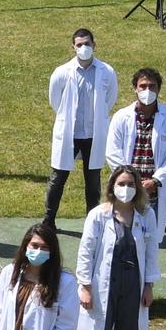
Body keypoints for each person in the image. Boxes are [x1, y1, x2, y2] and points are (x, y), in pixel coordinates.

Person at [75, 166, 161, 330]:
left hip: (133, 281)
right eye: (121, 183)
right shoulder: (99, 215)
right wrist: (85, 286)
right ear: (112, 186)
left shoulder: (146, 216)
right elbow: (86, 251)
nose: (126, 189)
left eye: (131, 184)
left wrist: (149, 286)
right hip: (104, 282)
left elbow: (152, 251)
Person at [44, 29, 118, 228]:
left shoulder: (107, 72)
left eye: (87, 43)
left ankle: (91, 221)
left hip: (94, 134)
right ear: (73, 47)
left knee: (93, 182)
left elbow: (109, 99)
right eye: (79, 44)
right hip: (70, 133)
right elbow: (55, 101)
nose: (83, 48)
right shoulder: (62, 72)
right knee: (58, 178)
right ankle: (49, 220)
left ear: (94, 45)